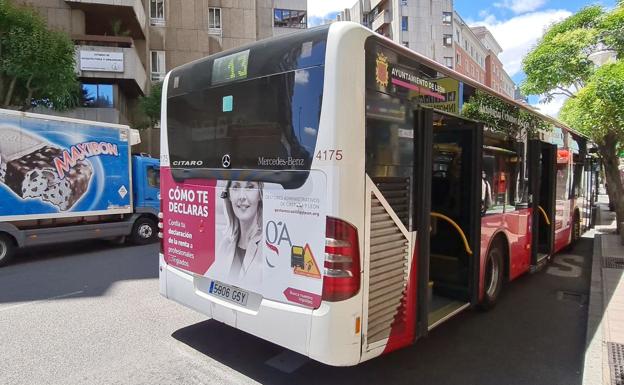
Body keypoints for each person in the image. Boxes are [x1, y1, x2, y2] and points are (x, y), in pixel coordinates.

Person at [217, 180, 264, 286]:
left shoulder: (267, 247)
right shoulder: (225, 245)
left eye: (250, 187)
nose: (242, 196)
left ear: (260, 195)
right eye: (236, 187)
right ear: (229, 195)